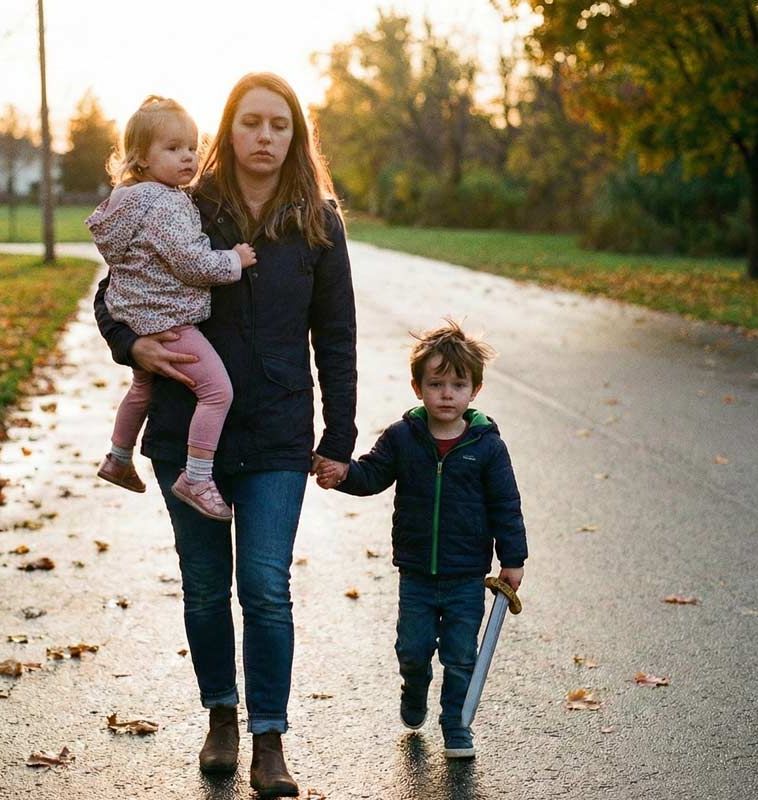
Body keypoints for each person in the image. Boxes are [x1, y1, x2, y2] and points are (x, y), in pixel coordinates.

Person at [94, 73, 356, 797]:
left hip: (275, 430)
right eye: (251, 123)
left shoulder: (318, 221)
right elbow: (114, 286)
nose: (265, 136)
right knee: (206, 589)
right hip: (185, 432)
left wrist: (340, 433)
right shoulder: (183, 203)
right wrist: (131, 345)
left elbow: (336, 335)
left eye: (279, 124)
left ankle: (270, 739)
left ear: (295, 134)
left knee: (266, 587)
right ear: (228, 130)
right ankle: (221, 717)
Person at [315, 320, 527, 760]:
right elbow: (372, 474)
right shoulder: (402, 437)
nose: (446, 394)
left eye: (457, 384)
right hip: (415, 572)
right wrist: (342, 475)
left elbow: (506, 504)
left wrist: (513, 558)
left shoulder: (487, 445)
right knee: (412, 649)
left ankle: (455, 723)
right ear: (417, 388)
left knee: (460, 655)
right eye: (436, 384)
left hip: (467, 574)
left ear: (475, 390)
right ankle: (414, 688)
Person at [87, 96, 258, 521]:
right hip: (169, 322)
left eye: (192, 146)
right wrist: (235, 260)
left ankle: (118, 456)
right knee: (217, 391)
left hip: (138, 316)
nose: (188, 156)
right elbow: (193, 262)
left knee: (142, 388)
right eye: (173, 148)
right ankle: (197, 475)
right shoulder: (165, 204)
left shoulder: (126, 201)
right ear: (141, 158)